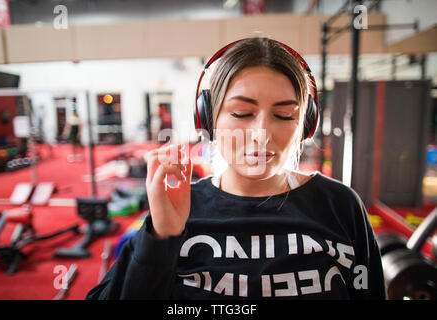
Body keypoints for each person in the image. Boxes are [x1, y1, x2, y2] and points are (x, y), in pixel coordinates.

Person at [86, 37, 386, 300]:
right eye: (242, 112)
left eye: (284, 115)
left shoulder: (340, 206)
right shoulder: (179, 208)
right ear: (208, 118)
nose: (261, 134)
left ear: (305, 126)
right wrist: (160, 238)